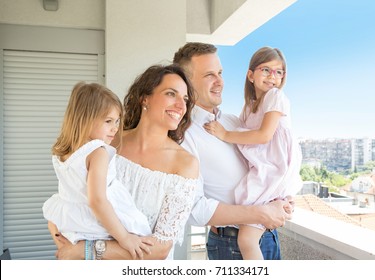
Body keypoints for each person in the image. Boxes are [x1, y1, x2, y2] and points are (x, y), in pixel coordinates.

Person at [49, 64, 200, 260]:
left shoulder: (185, 164)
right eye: (171, 94)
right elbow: (70, 197)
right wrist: (62, 239)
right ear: (144, 98)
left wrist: (84, 250)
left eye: (185, 99)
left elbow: (160, 249)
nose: (181, 106)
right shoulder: (106, 144)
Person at [173, 42, 294, 260]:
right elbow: (193, 209)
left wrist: (279, 197)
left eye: (220, 72)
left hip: (267, 235)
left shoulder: (233, 122)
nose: (220, 81)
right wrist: (262, 212)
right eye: (209, 75)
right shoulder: (184, 136)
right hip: (232, 245)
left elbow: (266, 161)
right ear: (187, 83)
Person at [203, 47, 303, 259]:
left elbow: (263, 136)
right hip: (264, 169)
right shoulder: (250, 106)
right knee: (247, 230)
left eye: (279, 72)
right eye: (266, 70)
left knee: (246, 239)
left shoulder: (275, 97)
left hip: (273, 169)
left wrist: (225, 134)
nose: (272, 77)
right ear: (250, 75)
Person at [43, 82, 153, 259]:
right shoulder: (97, 152)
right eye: (108, 121)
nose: (115, 128)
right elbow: (97, 200)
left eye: (117, 121)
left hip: (75, 225)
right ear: (85, 119)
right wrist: (124, 238)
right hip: (97, 225)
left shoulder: (63, 152)